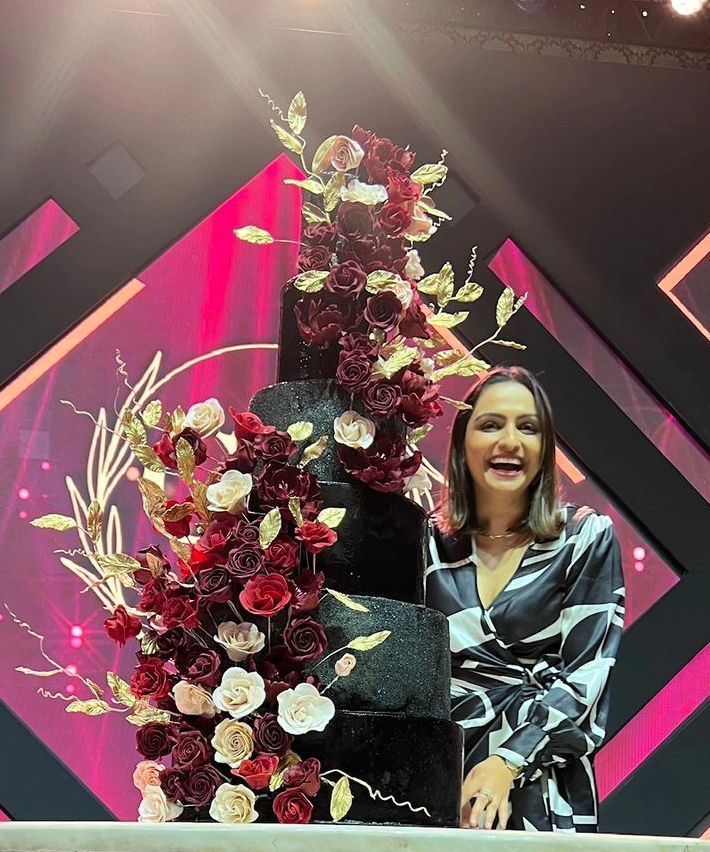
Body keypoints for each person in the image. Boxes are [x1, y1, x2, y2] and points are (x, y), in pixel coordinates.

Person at [425, 366, 625, 832]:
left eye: (528, 427)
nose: (510, 441)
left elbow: (588, 677)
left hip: (539, 778)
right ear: (461, 442)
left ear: (545, 447)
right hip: (438, 780)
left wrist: (507, 763)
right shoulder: (425, 544)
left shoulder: (585, 538)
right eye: (491, 425)